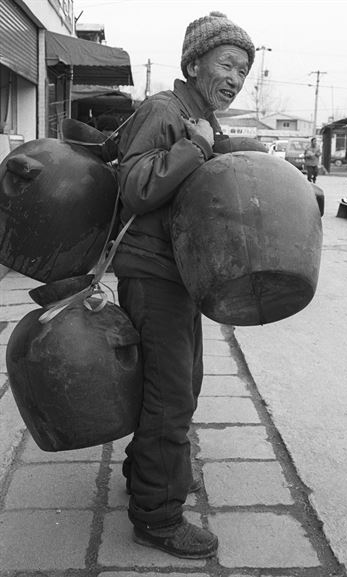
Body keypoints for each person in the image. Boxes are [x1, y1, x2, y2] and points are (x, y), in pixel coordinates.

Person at [112, 11, 255, 559]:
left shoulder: (198, 120)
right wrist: (194, 148)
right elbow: (135, 187)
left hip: (180, 277)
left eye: (243, 70)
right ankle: (157, 515)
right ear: (194, 63)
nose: (236, 78)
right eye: (227, 63)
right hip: (151, 275)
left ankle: (144, 471)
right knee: (170, 397)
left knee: (181, 385)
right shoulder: (164, 112)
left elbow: (214, 170)